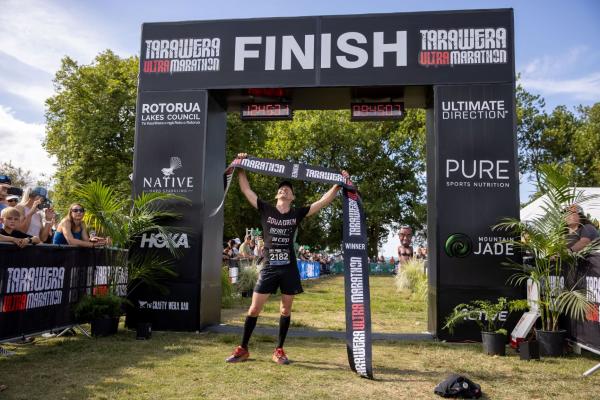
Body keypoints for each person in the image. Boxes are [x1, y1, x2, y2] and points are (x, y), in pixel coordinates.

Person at [226, 153, 348, 365]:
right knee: (254, 309)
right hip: (270, 267)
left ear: (292, 198)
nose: (284, 190)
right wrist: (241, 166)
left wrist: (338, 184)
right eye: (281, 188)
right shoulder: (266, 209)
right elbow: (246, 190)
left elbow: (322, 202)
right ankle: (243, 348)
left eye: (288, 189)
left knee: (285, 309)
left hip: (289, 268)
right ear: (277, 195)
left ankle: (279, 350)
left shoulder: (297, 213)